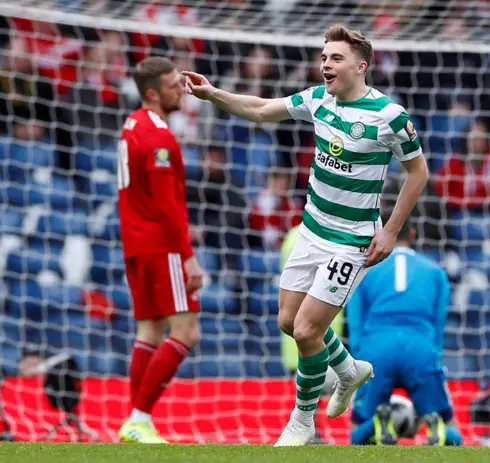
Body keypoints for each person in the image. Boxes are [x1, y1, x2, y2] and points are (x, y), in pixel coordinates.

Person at [184, 24, 429, 446]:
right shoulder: (318, 100)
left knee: (305, 331)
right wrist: (214, 94)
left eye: (335, 58)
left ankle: (302, 419)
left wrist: (390, 232)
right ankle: (349, 370)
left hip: (352, 240)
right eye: (323, 58)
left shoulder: (390, 117)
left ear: (360, 66)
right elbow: (262, 109)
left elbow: (418, 172)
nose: (325, 65)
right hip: (311, 231)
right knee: (286, 321)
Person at [116, 57, 204, 444]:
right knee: (186, 332)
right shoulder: (158, 136)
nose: (181, 88)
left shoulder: (131, 124)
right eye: (173, 84)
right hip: (161, 246)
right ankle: (139, 417)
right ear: (152, 92)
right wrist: (188, 256)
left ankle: (135, 423)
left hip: (136, 244)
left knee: (149, 332)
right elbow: (168, 205)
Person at [347, 217, 462, 447]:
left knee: (357, 431)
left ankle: (377, 426)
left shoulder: (365, 270)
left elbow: (355, 324)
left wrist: (357, 362)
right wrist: (433, 355)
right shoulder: (436, 272)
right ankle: (438, 430)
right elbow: (439, 325)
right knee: (450, 424)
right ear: (412, 233)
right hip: (419, 347)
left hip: (376, 347)